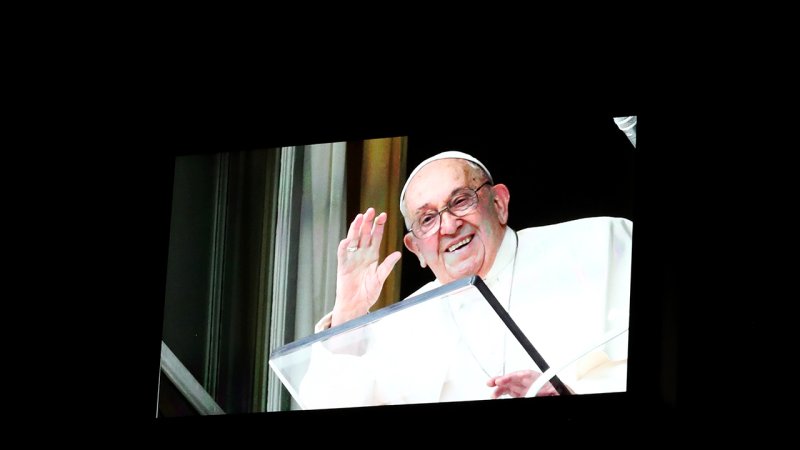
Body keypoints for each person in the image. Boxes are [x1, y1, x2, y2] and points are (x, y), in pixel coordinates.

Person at [298, 151, 632, 408]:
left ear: (499, 203)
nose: (449, 225)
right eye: (427, 218)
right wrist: (348, 314)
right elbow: (324, 405)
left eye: (460, 201)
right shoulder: (402, 323)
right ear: (416, 249)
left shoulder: (602, 240)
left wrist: (571, 396)